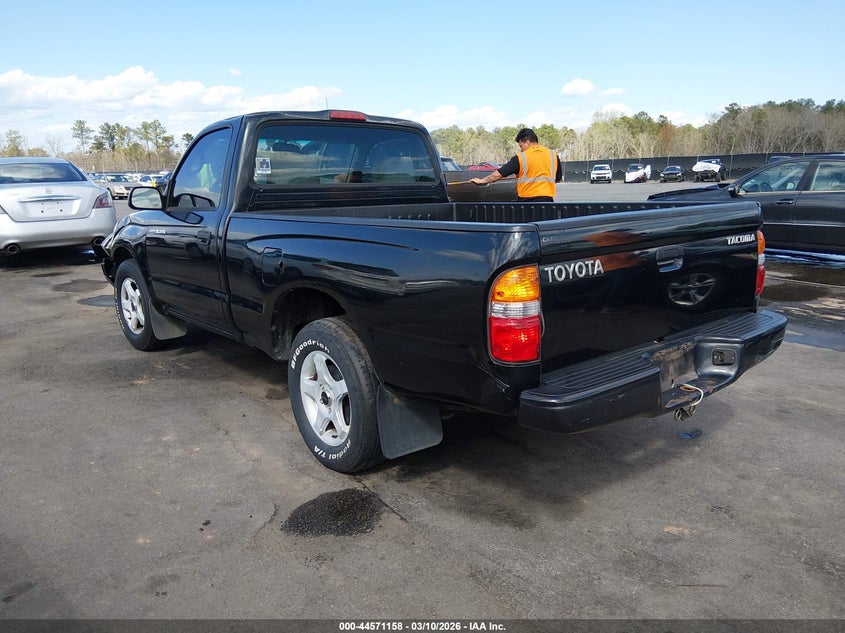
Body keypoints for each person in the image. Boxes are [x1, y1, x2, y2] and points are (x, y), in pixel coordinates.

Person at [470, 128, 562, 201]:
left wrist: (481, 181)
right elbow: (557, 179)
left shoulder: (522, 157)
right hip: (548, 202)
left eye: (521, 146)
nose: (521, 150)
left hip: (527, 202)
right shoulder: (553, 155)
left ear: (527, 142)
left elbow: (497, 175)